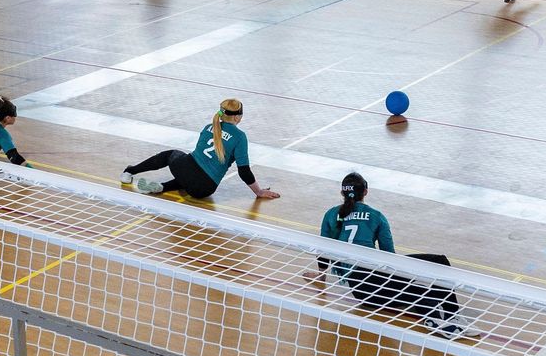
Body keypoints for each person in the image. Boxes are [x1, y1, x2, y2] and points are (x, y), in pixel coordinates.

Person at [316, 173, 473, 338]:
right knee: (436, 264)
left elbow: (323, 249)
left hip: (361, 289)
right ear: (366, 191)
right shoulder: (376, 216)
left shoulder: (331, 214)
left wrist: (320, 277)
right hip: (372, 280)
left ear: (342, 193)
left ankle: (441, 317)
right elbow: (389, 256)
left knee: (415, 285)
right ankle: (445, 316)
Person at [120, 98, 279, 200]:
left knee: (173, 156)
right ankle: (163, 187)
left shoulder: (210, 127)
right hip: (203, 189)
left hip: (185, 170)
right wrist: (258, 192)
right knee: (194, 177)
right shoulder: (239, 137)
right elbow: (243, 171)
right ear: (238, 117)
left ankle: (130, 171)